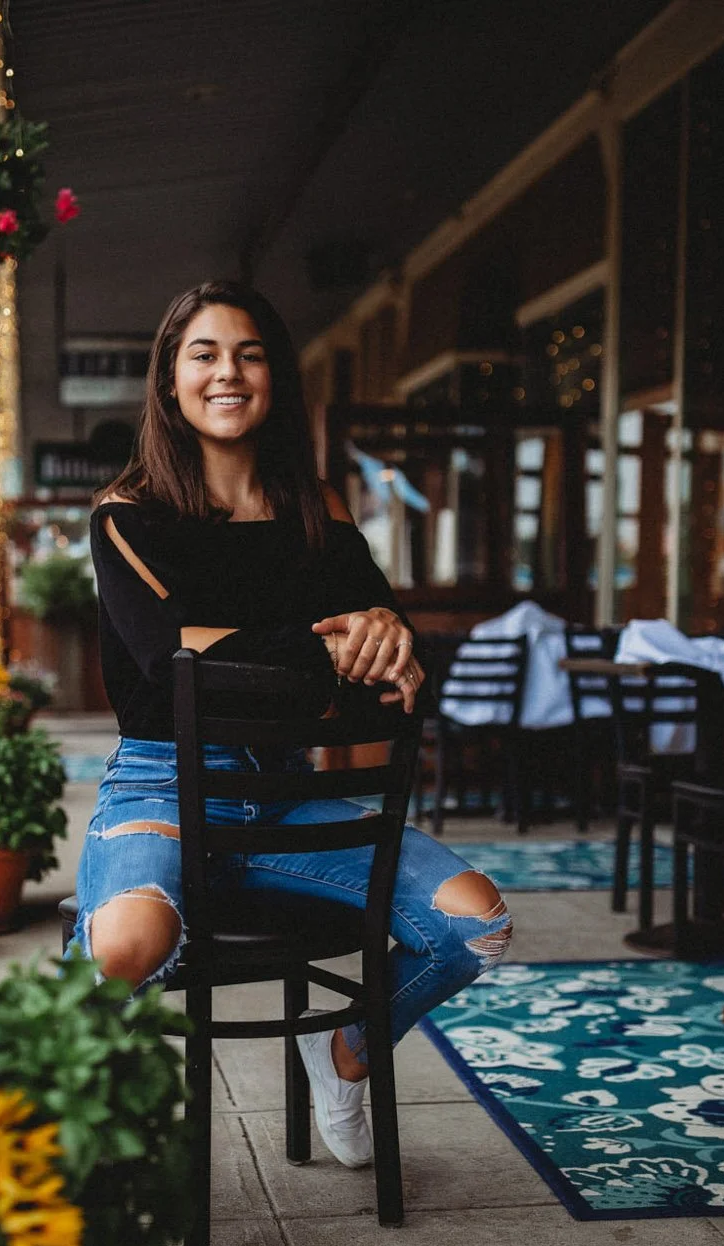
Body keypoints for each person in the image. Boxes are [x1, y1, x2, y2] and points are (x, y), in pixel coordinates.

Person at [69, 280, 512, 1169]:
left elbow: (389, 647)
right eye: (204, 353)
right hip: (163, 784)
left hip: (292, 802)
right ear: (169, 380)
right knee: (127, 942)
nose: (227, 372)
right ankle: (77, 1104)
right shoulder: (127, 514)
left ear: (274, 375)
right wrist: (323, 650)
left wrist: (387, 629)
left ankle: (344, 1051)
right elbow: (171, 656)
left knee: (478, 926)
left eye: (249, 353)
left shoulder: (320, 506)